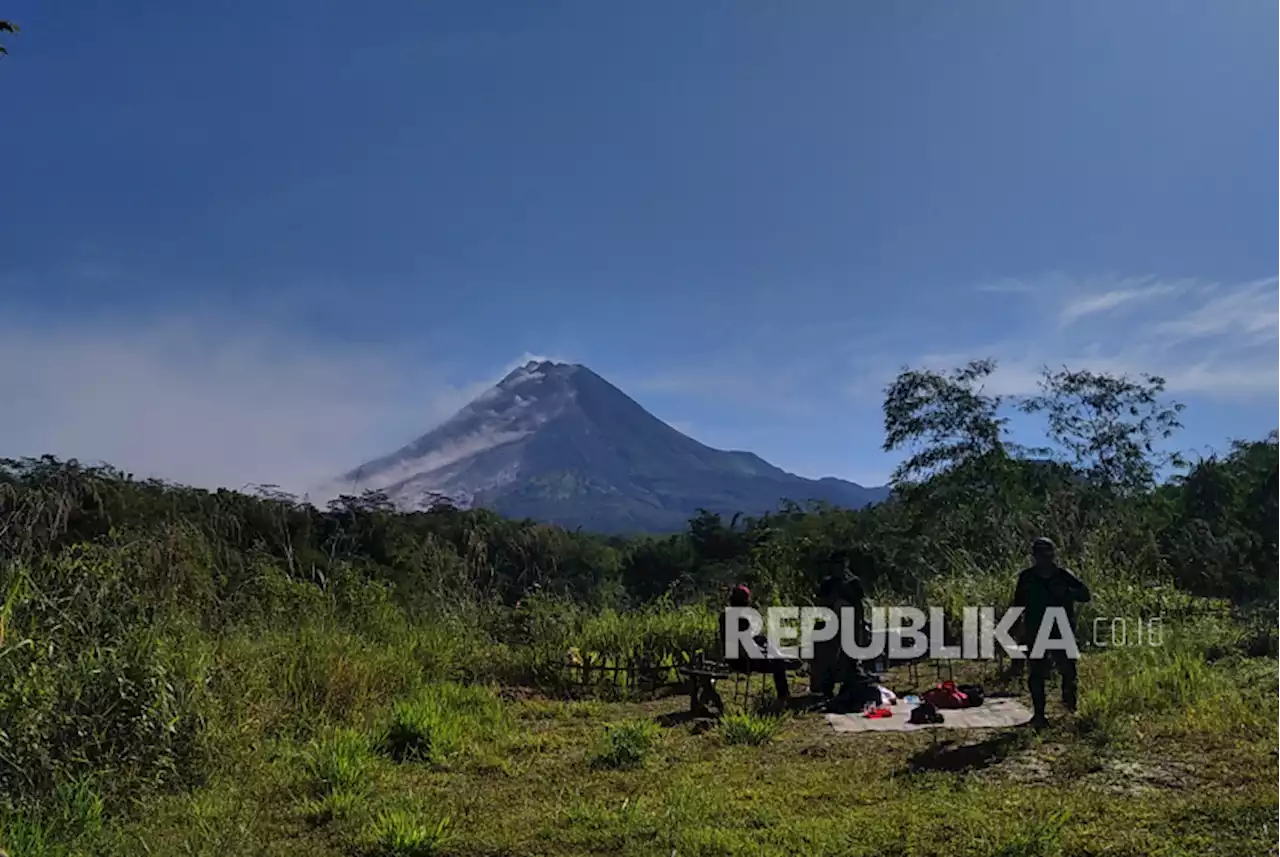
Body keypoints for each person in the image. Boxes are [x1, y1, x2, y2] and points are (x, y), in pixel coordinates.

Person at [1013, 537, 1091, 727]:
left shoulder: (1063, 575)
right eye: (1039, 554)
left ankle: (1069, 709)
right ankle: (1039, 714)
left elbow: (1085, 595)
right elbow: (1017, 605)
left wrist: (1067, 592)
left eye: (1047, 554)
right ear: (1034, 556)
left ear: (1052, 555)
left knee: (1068, 670)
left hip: (1061, 629)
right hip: (1036, 630)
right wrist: (1015, 631)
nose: (1044, 558)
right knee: (1036, 673)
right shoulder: (1027, 577)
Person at [718, 584, 799, 702]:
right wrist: (763, 653)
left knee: (762, 640)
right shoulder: (742, 620)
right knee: (779, 663)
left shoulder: (724, 617)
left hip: (731, 659)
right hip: (746, 662)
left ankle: (780, 656)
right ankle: (784, 695)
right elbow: (748, 647)